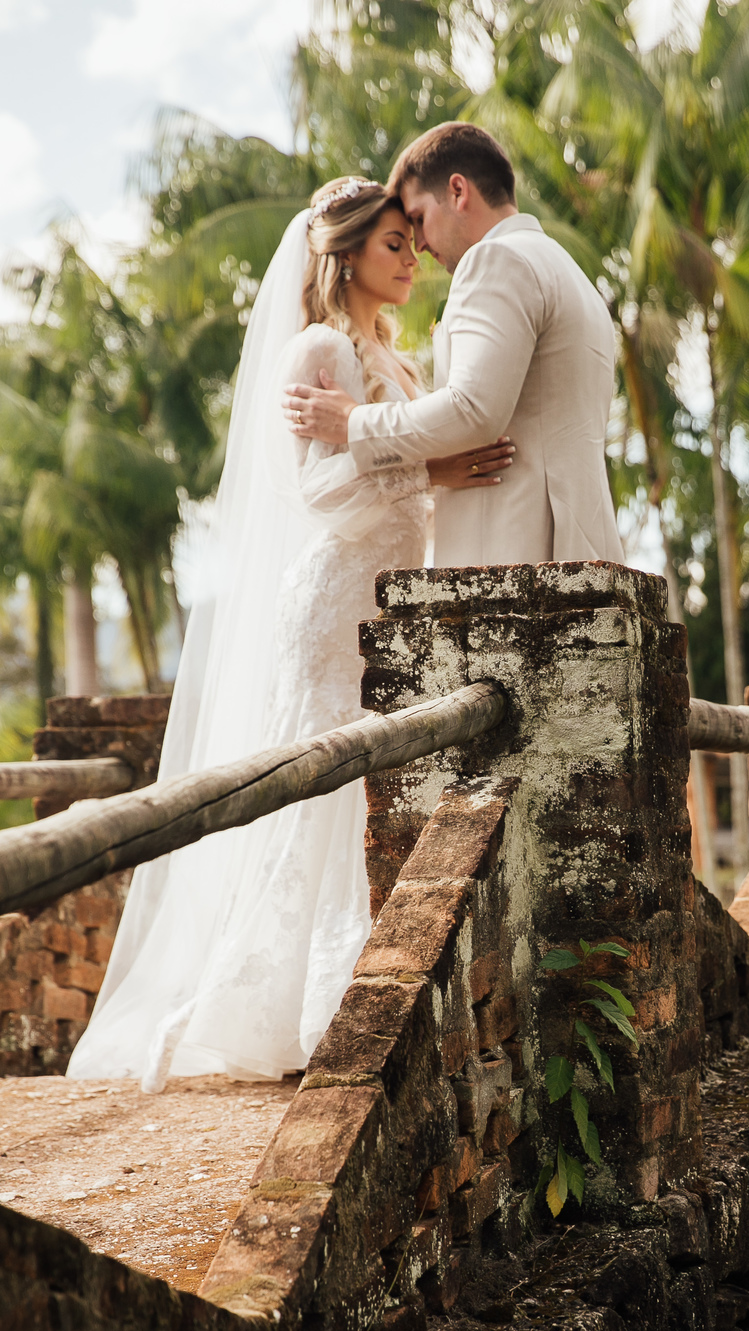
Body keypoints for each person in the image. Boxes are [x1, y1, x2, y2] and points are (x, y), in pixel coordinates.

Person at [69, 179, 512, 1090]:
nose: (411, 258)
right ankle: (285, 1010)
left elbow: (391, 458)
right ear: (345, 254)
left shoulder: (394, 355)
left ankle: (338, 992)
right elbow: (312, 493)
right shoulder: (320, 347)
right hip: (331, 599)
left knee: (364, 786)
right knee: (321, 785)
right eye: (394, 243)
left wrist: (428, 470)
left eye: (411, 243)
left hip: (383, 597)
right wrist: (431, 473)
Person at [284, 122, 625, 567]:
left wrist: (353, 421)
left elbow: (472, 410)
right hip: (580, 545)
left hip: (516, 547)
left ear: (458, 191)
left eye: (420, 219)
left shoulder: (495, 258)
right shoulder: (568, 270)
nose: (419, 246)